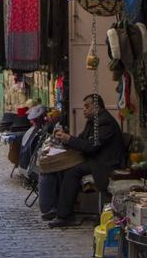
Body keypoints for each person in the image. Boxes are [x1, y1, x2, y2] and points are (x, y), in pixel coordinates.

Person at [39, 94, 126, 227]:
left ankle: (65, 215)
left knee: (72, 171)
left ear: (96, 107)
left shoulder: (104, 122)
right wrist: (65, 139)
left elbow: (91, 147)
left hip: (104, 163)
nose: (84, 109)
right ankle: (59, 208)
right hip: (95, 158)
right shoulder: (93, 121)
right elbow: (82, 140)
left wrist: (69, 139)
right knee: (62, 167)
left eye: (87, 106)